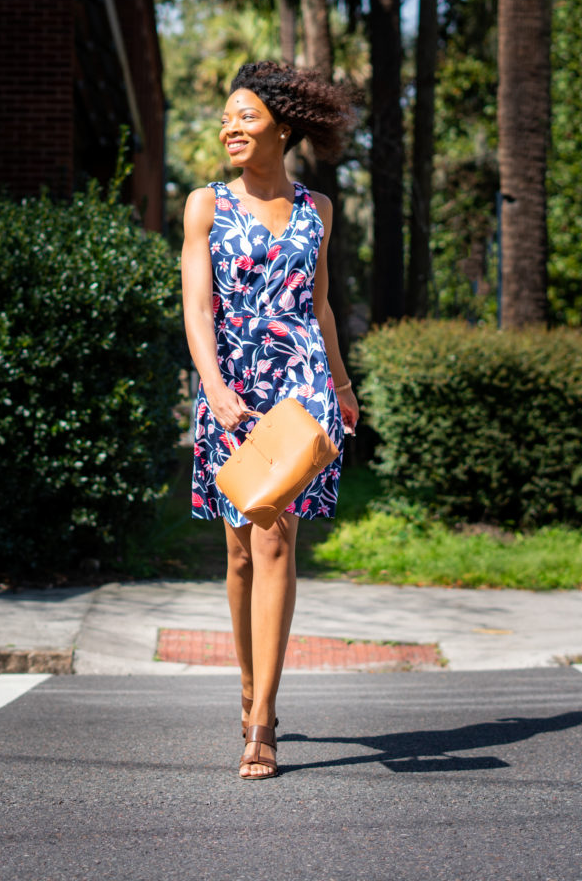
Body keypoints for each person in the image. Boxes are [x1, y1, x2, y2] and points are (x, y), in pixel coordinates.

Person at [181, 60, 359, 779]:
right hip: (234, 380)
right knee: (240, 552)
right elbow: (197, 307)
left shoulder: (318, 209)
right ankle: (249, 684)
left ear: (281, 127)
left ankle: (262, 721)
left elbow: (319, 304)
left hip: (298, 384)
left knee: (278, 539)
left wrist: (341, 384)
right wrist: (214, 387)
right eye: (227, 116)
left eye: (246, 116)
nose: (232, 126)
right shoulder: (205, 206)